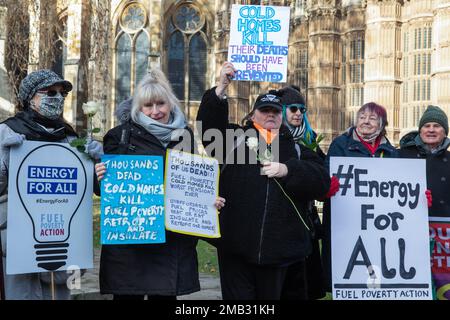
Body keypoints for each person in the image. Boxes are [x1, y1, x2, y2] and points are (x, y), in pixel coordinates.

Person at [196, 61, 330, 300]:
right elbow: (208, 130)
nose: (270, 114)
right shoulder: (232, 140)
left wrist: (288, 170)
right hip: (236, 250)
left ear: (281, 117)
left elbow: (321, 182)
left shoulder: (298, 150)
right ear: (253, 114)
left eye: (276, 111)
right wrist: (221, 87)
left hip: (280, 255)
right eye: (265, 110)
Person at [94, 68, 225, 300]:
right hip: (131, 246)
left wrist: (207, 201)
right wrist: (100, 176)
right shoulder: (119, 135)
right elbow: (107, 191)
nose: (155, 111)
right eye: (148, 105)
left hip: (169, 244)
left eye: (161, 104)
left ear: (170, 104)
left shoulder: (184, 135)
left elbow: (188, 183)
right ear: (139, 108)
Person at [0, 69, 103, 300]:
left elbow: (90, 189)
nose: (57, 97)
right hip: (16, 237)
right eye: (49, 92)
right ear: (30, 98)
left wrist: (97, 164)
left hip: (60, 237)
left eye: (61, 93)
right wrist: (5, 159)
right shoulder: (7, 131)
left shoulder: (69, 138)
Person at [321, 102, 398, 292]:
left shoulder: (391, 151)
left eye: (372, 118)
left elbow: (399, 185)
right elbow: (326, 173)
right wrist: (327, 186)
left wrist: (415, 198)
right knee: (348, 268)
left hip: (377, 222)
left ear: (382, 124)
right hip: (346, 219)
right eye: (362, 117)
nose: (366, 121)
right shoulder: (341, 144)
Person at [275, 85, 330, 300]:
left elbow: (322, 172)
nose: (298, 113)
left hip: (305, 221)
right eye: (293, 109)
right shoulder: (269, 139)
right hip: (280, 220)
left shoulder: (310, 138)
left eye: (302, 109)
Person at [399, 105, 450, 299]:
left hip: (445, 232)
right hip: (410, 227)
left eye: (436, 126)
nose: (431, 129)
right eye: (426, 125)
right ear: (420, 130)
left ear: (444, 131)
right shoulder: (402, 155)